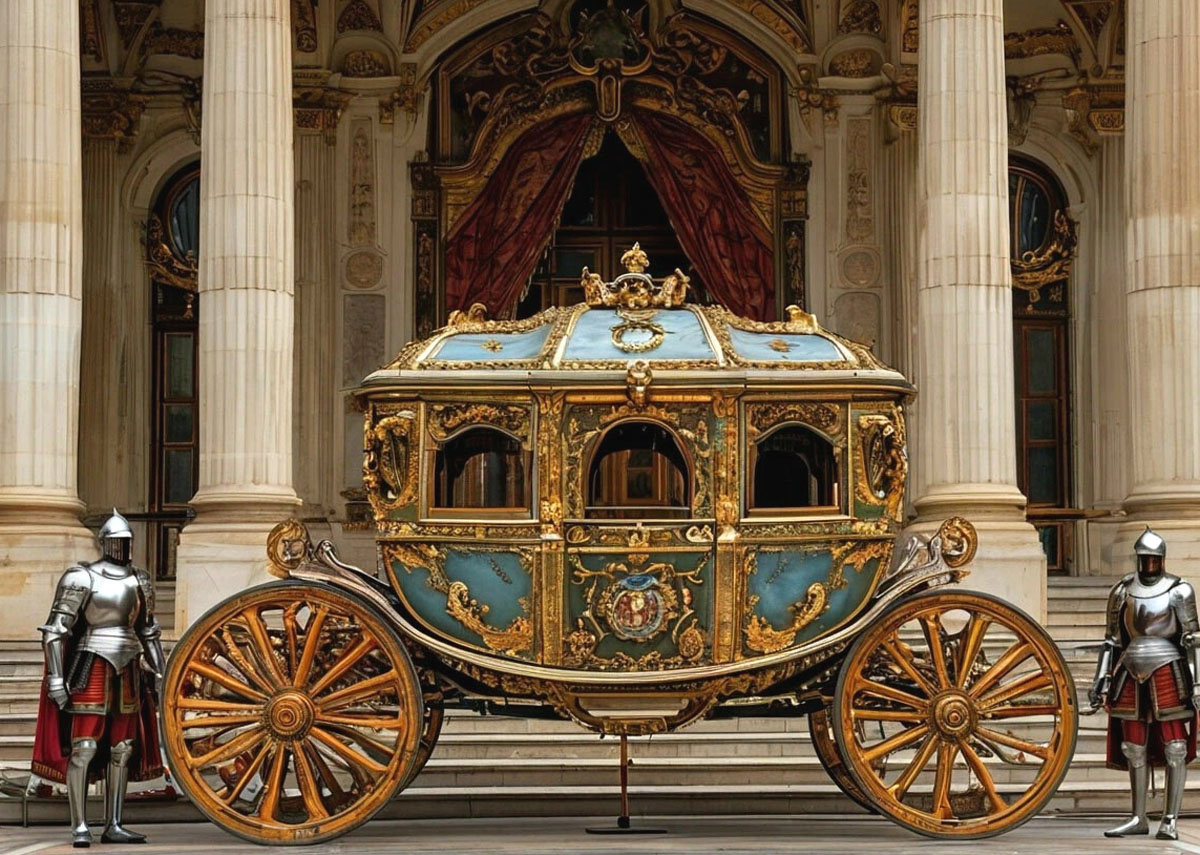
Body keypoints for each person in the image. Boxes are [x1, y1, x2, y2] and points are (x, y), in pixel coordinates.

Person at [31, 510, 165, 847]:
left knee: (122, 748)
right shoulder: (81, 576)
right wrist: (56, 679)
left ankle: (114, 824)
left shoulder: (140, 579)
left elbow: (148, 631)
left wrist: (161, 673)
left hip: (130, 665)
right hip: (91, 663)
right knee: (85, 746)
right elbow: (56, 630)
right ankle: (79, 825)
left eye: (126, 541)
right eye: (117, 541)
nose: (122, 547)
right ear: (104, 542)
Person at [1090, 527, 1199, 840]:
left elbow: (1192, 639)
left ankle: (1170, 819)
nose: (1148, 564)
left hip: (1168, 666)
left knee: (1175, 747)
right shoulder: (1122, 590)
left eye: (1153, 558)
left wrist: (1197, 683)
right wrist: (1100, 680)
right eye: (1144, 558)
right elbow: (1111, 641)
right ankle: (1138, 817)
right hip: (1130, 665)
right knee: (1132, 746)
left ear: (1161, 559)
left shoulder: (1179, 590)